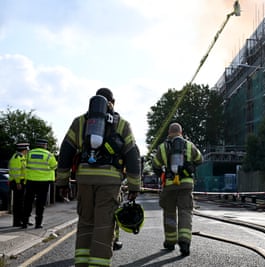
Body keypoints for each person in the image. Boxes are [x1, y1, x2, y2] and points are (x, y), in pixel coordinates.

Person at [56, 88, 141, 267]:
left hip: (85, 179)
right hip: (109, 182)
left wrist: (62, 182)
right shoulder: (122, 124)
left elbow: (65, 152)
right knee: (104, 225)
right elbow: (133, 156)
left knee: (86, 221)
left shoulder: (79, 122)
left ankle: (81, 263)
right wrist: (134, 186)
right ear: (113, 102)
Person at [152, 122, 202, 256]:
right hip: (186, 184)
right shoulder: (189, 146)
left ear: (169, 133)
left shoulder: (163, 147)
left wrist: (163, 174)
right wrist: (190, 165)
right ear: (181, 132)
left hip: (169, 185)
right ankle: (185, 241)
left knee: (169, 212)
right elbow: (200, 159)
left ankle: (170, 241)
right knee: (185, 211)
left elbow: (155, 165)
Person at [22, 138, 58, 229]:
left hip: (30, 181)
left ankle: (25, 222)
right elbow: (54, 166)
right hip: (43, 182)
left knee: (28, 202)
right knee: (40, 203)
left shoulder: (29, 154)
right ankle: (38, 224)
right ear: (44, 145)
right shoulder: (49, 155)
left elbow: (23, 165)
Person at [8, 142, 30, 227]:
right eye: (26, 150)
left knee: (21, 203)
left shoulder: (21, 157)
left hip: (21, 182)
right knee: (18, 203)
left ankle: (22, 220)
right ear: (24, 150)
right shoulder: (17, 158)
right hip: (17, 182)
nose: (27, 151)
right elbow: (16, 172)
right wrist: (18, 182)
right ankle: (17, 222)